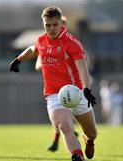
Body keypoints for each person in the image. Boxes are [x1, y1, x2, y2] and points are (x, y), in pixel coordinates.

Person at [10, 6, 97, 161]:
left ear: (61, 24)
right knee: (64, 126)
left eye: (54, 25)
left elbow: (82, 69)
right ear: (44, 24)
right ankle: (77, 156)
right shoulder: (42, 40)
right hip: (54, 95)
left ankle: (89, 141)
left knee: (91, 132)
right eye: (47, 25)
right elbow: (33, 50)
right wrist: (18, 59)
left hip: (77, 92)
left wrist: (86, 89)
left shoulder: (71, 43)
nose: (50, 29)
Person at [35, 15, 78, 152]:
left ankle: (82, 136)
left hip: (73, 85)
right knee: (61, 119)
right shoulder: (45, 44)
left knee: (69, 117)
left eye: (60, 25)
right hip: (54, 88)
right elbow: (38, 65)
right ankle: (57, 140)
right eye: (50, 26)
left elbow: (81, 61)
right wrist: (50, 64)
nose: (54, 29)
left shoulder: (70, 43)